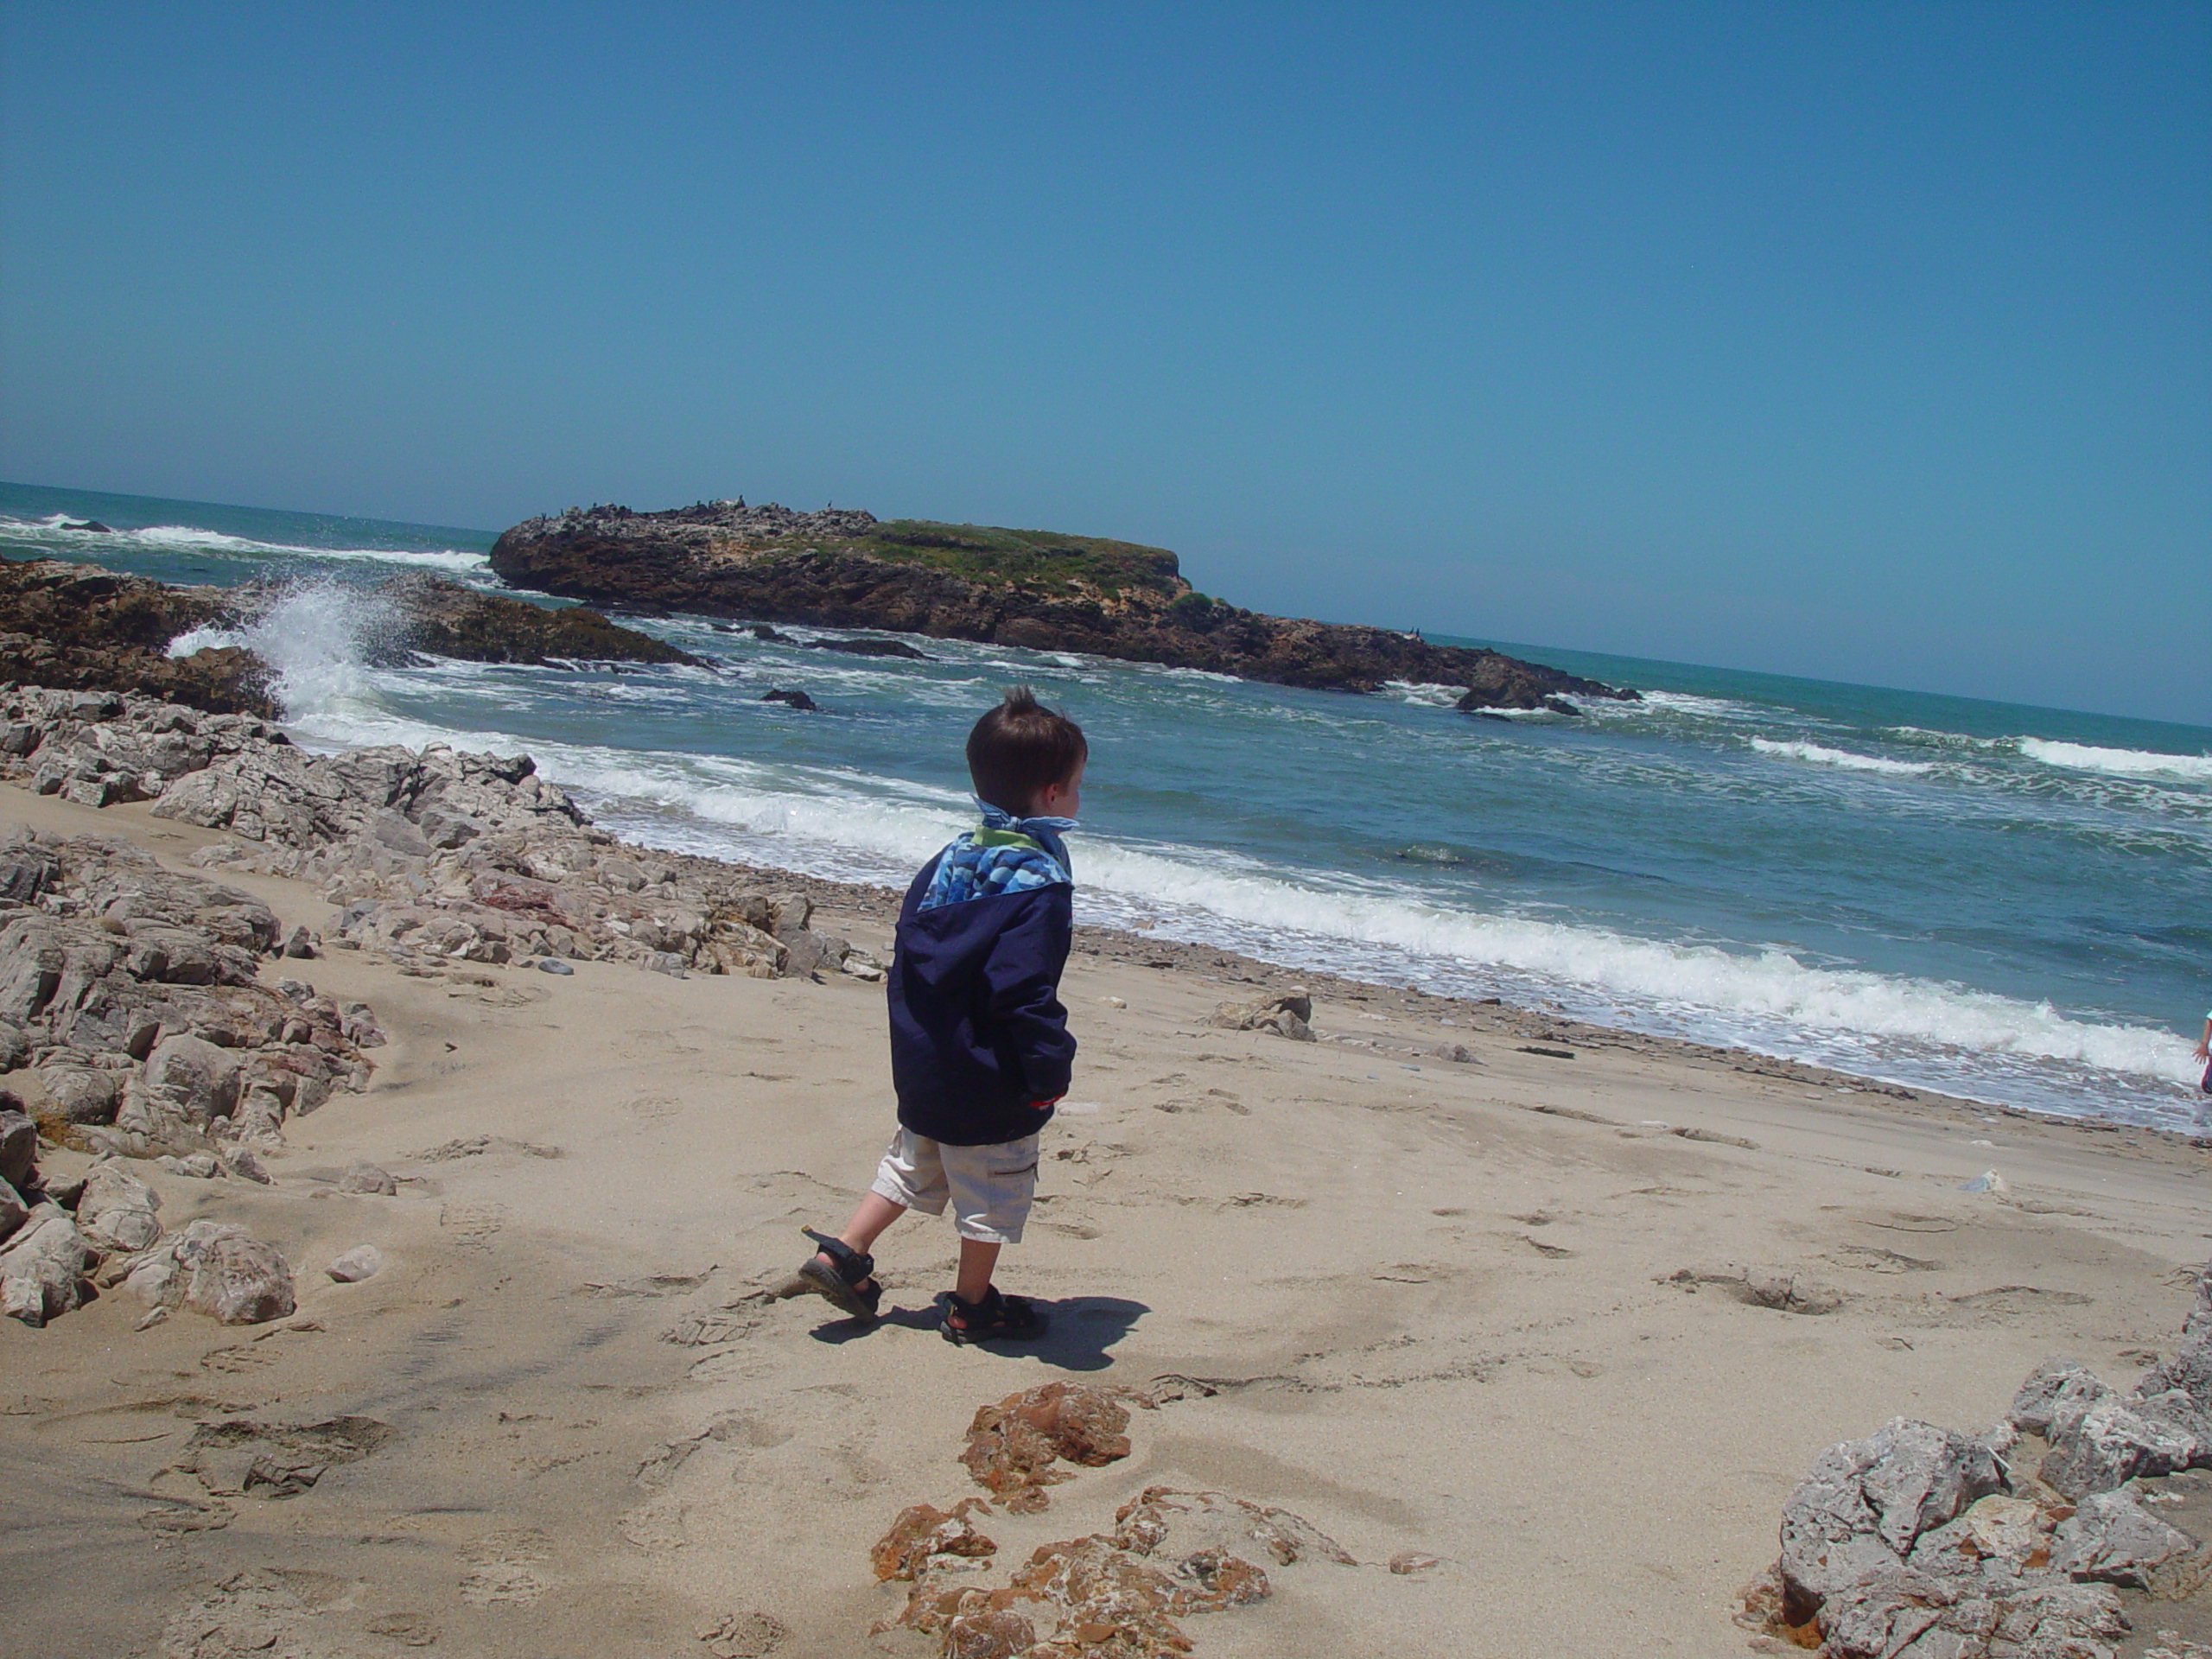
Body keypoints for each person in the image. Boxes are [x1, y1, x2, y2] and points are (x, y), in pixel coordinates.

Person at [796, 685, 1086, 1343]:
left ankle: (840, 1253)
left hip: (928, 1060)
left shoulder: (949, 860)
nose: (1077, 796)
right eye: (1074, 785)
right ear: (1050, 795)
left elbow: (915, 956)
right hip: (990, 1075)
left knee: (914, 1162)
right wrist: (1048, 1068)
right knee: (991, 1190)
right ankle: (972, 1304)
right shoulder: (1039, 885)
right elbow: (1021, 990)